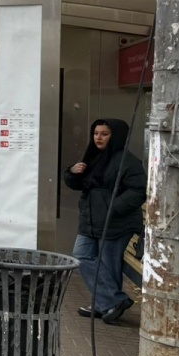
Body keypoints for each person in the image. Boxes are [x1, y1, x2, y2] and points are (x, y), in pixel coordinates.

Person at [64, 118, 147, 324]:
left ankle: (105, 305)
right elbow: (78, 184)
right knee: (81, 255)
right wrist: (72, 172)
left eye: (104, 134)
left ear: (115, 136)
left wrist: (113, 207)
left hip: (115, 222)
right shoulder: (93, 157)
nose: (98, 138)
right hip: (91, 219)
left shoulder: (127, 161)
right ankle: (113, 301)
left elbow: (138, 190)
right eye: (96, 133)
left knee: (108, 265)